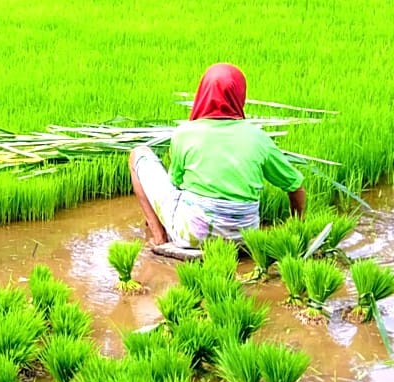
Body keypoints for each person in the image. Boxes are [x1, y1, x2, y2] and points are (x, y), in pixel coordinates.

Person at [129, 62, 307, 248]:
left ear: (203, 94)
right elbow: (296, 186)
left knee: (137, 154)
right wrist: (297, 229)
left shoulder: (184, 134)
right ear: (240, 95)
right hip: (246, 239)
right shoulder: (258, 138)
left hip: (193, 236)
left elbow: (176, 184)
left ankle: (159, 238)